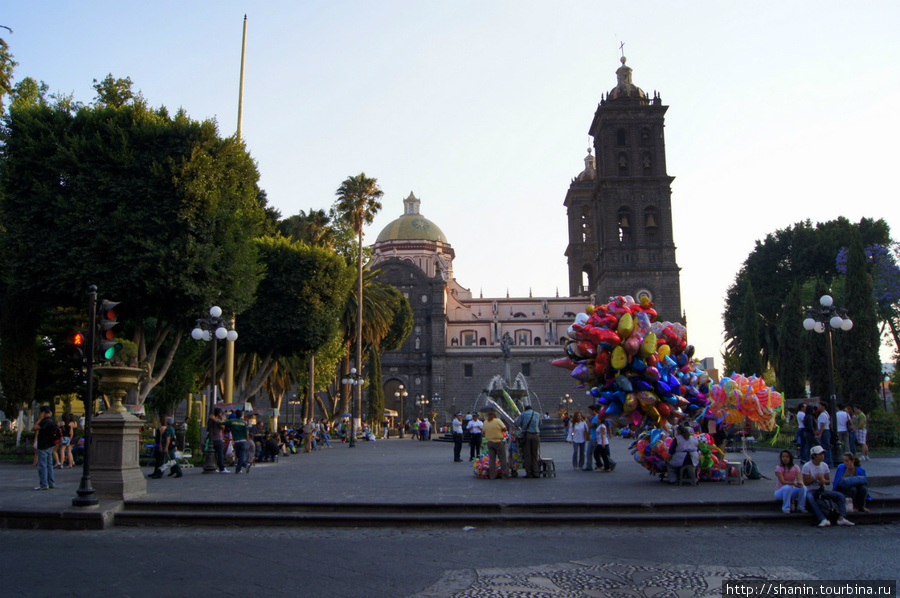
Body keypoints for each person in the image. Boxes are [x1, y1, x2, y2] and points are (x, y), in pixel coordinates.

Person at [802, 445, 854, 527]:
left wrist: (823, 481)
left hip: (821, 490)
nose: (822, 456)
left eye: (823, 454)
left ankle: (841, 517)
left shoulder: (824, 465)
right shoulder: (807, 466)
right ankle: (822, 518)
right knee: (810, 497)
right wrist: (815, 478)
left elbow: (828, 481)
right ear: (814, 456)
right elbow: (806, 482)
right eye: (820, 454)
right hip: (810, 490)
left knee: (840, 495)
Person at [32, 406, 57, 490]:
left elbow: (34, 428)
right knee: (49, 465)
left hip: (43, 445)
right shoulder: (53, 420)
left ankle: (44, 484)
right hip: (50, 445)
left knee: (42, 465)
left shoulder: (45, 422)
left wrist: (39, 419)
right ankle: (51, 482)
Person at [774, 449, 807, 514]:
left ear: (790, 458)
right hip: (780, 491)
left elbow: (799, 478)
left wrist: (801, 483)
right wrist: (793, 483)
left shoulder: (796, 467)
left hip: (791, 490)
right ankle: (786, 508)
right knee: (787, 487)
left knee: (803, 488)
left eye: (787, 457)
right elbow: (783, 481)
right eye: (783, 457)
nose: (785, 458)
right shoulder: (779, 467)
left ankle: (801, 507)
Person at [514, 404, 541, 478]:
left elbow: (517, 423)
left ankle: (529, 472)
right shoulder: (537, 414)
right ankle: (536, 472)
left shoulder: (523, 414)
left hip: (527, 435)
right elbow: (540, 424)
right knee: (535, 454)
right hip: (536, 435)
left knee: (527, 454)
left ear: (525, 409)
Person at [482, 408, 509, 479]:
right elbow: (505, 428)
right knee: (502, 458)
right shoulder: (498, 421)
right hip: (498, 441)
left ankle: (492, 475)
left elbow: (483, 432)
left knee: (492, 459)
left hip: (490, 442)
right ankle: (505, 474)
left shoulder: (485, 422)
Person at [223, 409, 252, 474]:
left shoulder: (232, 421)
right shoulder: (244, 422)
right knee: (241, 455)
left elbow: (223, 422)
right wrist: (247, 439)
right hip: (243, 441)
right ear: (241, 415)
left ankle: (240, 468)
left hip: (236, 441)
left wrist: (217, 421)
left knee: (239, 455)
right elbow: (246, 432)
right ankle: (244, 465)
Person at [207, 407, 228, 473]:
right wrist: (221, 419)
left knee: (215, 454)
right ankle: (222, 468)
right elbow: (222, 427)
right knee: (220, 454)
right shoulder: (217, 420)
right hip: (218, 439)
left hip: (211, 439)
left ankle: (215, 466)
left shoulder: (211, 419)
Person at [814, 401, 833, 467]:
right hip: (825, 431)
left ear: (823, 406)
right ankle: (828, 461)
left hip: (824, 431)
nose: (818, 407)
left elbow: (822, 425)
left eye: (820, 406)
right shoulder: (825, 414)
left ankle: (828, 462)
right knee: (826, 446)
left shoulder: (823, 415)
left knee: (825, 447)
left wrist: (820, 434)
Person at [582, 405, 600, 472]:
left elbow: (590, 426)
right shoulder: (593, 417)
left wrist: (587, 420)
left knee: (597, 453)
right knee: (589, 452)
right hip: (592, 437)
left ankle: (610, 462)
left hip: (595, 437)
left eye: (590, 410)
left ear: (593, 410)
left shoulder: (596, 417)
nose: (589, 412)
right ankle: (589, 466)